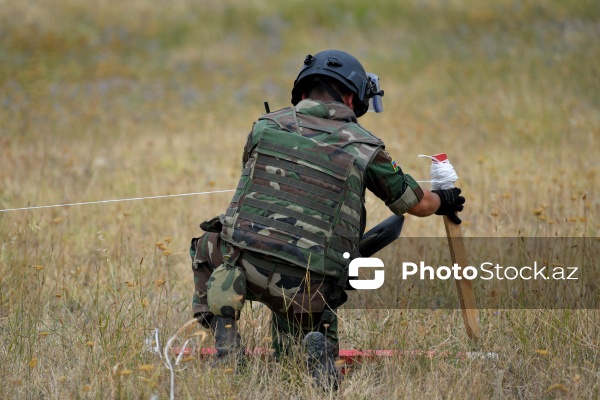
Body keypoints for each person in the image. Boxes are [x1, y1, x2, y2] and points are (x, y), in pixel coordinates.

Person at [189, 49, 465, 390]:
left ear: (303, 93)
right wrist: (445, 199)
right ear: (351, 97)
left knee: (207, 247)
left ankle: (224, 330)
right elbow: (418, 205)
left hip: (243, 268)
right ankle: (317, 361)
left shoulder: (265, 127)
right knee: (303, 327)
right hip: (310, 284)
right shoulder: (366, 148)